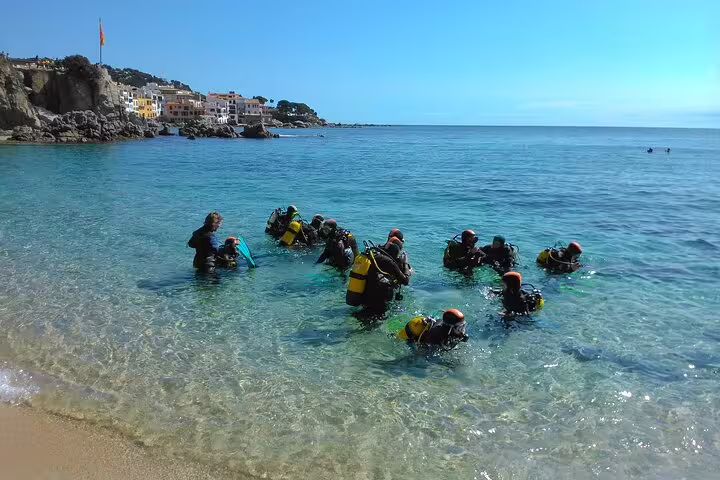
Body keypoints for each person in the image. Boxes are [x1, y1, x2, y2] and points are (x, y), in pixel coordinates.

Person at [397, 309, 468, 349]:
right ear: (451, 326)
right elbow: (422, 353)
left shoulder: (448, 327)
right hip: (415, 339)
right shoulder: (435, 337)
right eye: (460, 325)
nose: (461, 328)